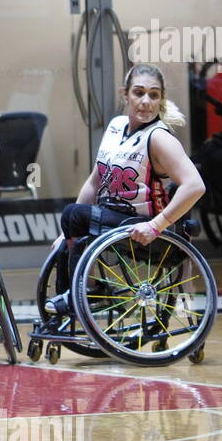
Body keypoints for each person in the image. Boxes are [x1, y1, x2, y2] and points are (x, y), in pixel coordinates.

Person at [50, 62, 206, 292]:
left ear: (161, 99)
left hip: (142, 224)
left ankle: (86, 290)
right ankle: (71, 295)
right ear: (125, 95)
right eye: (139, 92)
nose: (146, 101)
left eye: (154, 95)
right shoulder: (116, 126)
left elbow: (195, 186)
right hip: (114, 217)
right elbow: (95, 181)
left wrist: (156, 226)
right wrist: (64, 234)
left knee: (73, 215)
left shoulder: (159, 137)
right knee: (68, 230)